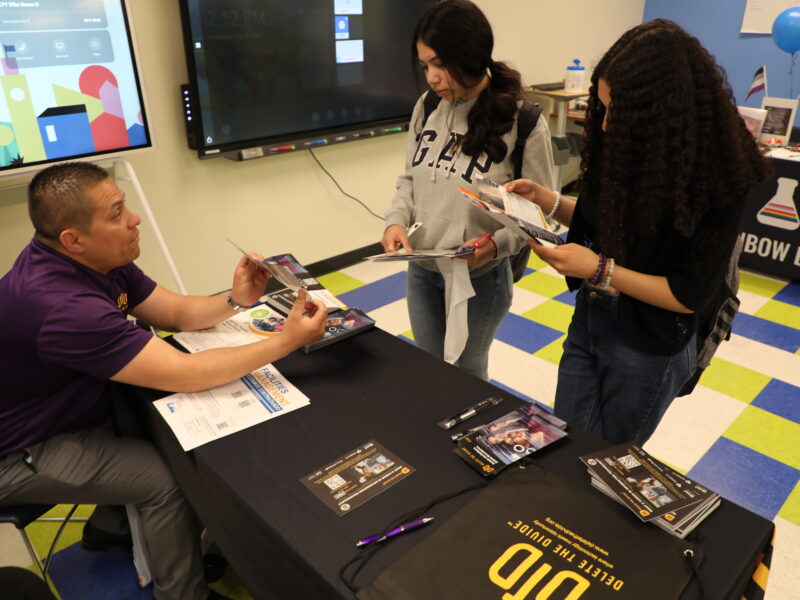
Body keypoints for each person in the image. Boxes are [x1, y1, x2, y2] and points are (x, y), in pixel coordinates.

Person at [0, 162, 328, 600]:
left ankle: (110, 526)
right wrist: (285, 342)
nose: (134, 218)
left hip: (61, 407)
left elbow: (172, 312)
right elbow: (187, 376)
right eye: (117, 212)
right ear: (73, 239)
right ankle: (182, 593)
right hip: (19, 449)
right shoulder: (62, 306)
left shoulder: (89, 258)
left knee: (155, 420)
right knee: (164, 480)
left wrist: (236, 299)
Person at [506, 19, 769, 445]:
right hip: (592, 317)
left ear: (662, 114)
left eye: (617, 112)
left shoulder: (719, 181)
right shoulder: (625, 146)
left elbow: (687, 296)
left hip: (651, 343)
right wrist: (546, 200)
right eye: (603, 108)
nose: (607, 125)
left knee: (608, 465)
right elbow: (600, 220)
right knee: (567, 446)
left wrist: (600, 269)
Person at [381, 0, 554, 380]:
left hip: (480, 279)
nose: (432, 78)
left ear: (471, 57)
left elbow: (539, 216)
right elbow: (410, 177)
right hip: (423, 270)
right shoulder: (427, 107)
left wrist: (496, 245)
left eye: (440, 64)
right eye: (425, 65)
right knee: (430, 370)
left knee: (466, 373)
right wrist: (395, 222)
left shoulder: (523, 121)